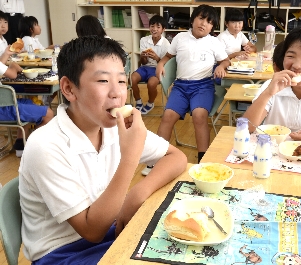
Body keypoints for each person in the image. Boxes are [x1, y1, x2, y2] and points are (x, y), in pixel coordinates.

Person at [18, 36, 187, 264]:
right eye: (103, 81)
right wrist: (130, 157)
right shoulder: (45, 145)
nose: (117, 93)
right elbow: (92, 231)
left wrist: (138, 193)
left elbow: (177, 157)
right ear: (69, 88)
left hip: (110, 231)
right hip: (63, 253)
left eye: (121, 81)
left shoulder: (113, 126)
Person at [154, 4, 229, 168]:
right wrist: (161, 64)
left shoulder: (214, 42)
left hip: (203, 86)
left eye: (209, 22)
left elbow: (225, 60)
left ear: (212, 27)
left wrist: (221, 66)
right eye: (201, 18)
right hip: (180, 87)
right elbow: (168, 56)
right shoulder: (180, 38)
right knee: (167, 117)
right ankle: (156, 158)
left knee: (199, 116)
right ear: (193, 19)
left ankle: (202, 160)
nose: (203, 23)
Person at [0, 11, 53, 158]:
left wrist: (7, 56)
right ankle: (33, 151)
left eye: (5, 22)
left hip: (4, 102)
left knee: (29, 101)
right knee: (48, 113)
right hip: (2, 107)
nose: (4, 26)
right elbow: (11, 73)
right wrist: (13, 66)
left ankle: (20, 145)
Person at [131, 15, 170, 115]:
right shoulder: (144, 40)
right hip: (145, 67)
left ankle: (150, 103)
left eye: (158, 27)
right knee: (132, 79)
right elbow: (143, 63)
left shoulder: (166, 44)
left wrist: (156, 58)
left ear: (163, 29)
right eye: (152, 26)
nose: (154, 29)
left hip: (157, 69)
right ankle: (138, 101)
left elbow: (165, 64)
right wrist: (143, 57)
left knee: (151, 84)